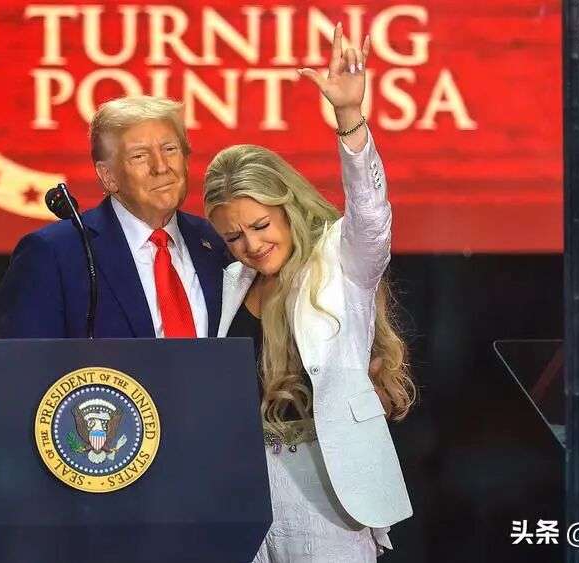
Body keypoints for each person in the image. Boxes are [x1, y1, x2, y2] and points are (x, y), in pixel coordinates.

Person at [204, 24, 415, 561]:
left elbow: (372, 215)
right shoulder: (231, 284)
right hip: (241, 482)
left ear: (288, 207)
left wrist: (349, 117)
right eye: (233, 236)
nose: (251, 245)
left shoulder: (342, 258)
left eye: (260, 225)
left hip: (327, 481)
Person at [0, 96, 226, 339]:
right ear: (108, 176)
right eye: (139, 156)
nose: (161, 167)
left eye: (170, 149)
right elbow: (25, 359)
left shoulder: (216, 242)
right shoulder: (54, 254)